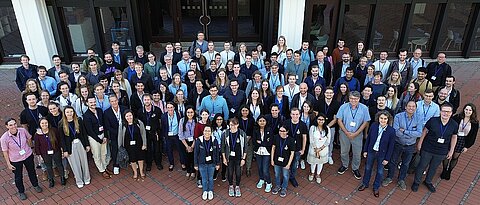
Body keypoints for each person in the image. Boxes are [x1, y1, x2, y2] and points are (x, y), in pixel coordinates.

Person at [412, 103, 459, 193]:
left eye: (448, 112)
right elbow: (425, 131)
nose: (446, 113)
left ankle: (428, 181)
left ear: (451, 113)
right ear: (440, 112)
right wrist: (420, 143)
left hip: (441, 151)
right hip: (428, 148)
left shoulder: (454, 124)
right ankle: (416, 182)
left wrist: (452, 150)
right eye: (444, 111)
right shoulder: (433, 120)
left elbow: (454, 137)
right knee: (422, 166)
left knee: (434, 167)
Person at [382, 101, 423, 190]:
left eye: (413, 106)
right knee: (393, 161)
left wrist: (404, 131)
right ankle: (389, 177)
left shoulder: (419, 118)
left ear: (416, 108)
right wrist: (411, 134)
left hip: (410, 145)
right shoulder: (398, 116)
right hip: (398, 143)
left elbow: (419, 133)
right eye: (409, 106)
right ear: (405, 107)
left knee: (405, 163)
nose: (411, 108)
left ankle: (401, 180)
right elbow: (396, 132)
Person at [1, 118, 43, 200]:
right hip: (15, 160)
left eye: (14, 124)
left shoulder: (22, 130)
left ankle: (35, 185)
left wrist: (31, 148)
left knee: (32, 171)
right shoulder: (4, 138)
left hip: (27, 155)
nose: (13, 126)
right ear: (7, 126)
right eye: (10, 125)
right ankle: (21, 191)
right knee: (18, 176)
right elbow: (5, 152)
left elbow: (29, 138)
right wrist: (8, 164)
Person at [357, 111, 395, 197]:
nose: (383, 120)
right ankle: (365, 183)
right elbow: (368, 138)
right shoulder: (374, 126)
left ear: (388, 120)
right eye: (381, 118)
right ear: (378, 118)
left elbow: (391, 147)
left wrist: (387, 159)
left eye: (385, 119)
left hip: (382, 154)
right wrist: (365, 150)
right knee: (367, 168)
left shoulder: (391, 131)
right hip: (371, 151)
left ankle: (376, 187)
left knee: (380, 171)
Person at [336, 91, 371, 179]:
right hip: (344, 133)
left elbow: (366, 122)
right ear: (349, 98)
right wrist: (347, 132)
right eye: (351, 98)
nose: (353, 100)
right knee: (344, 151)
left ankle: (355, 168)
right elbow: (339, 120)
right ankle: (345, 165)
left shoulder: (364, 108)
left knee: (357, 153)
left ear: (359, 99)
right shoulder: (343, 107)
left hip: (357, 135)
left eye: (355, 99)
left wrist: (356, 133)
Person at [441, 103, 478, 180]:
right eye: (466, 109)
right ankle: (444, 170)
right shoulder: (457, 117)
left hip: (462, 140)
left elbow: (473, 136)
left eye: (470, 110)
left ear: (473, 112)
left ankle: (449, 171)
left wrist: (467, 146)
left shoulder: (475, 123)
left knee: (455, 157)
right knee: (447, 155)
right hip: (453, 137)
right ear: (464, 110)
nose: (467, 111)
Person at [59, 106, 91, 188]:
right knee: (74, 164)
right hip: (70, 146)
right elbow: (62, 139)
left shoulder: (79, 120)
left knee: (84, 161)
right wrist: (65, 150)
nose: (70, 113)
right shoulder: (61, 124)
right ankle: (79, 180)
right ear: (64, 113)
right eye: (67, 112)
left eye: (71, 111)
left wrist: (87, 144)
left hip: (80, 143)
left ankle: (87, 178)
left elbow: (84, 133)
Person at [83, 95, 112, 179]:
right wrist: (99, 140)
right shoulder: (86, 115)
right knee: (97, 155)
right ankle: (102, 170)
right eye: (91, 102)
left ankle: (105, 167)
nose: (93, 104)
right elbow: (90, 131)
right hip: (94, 138)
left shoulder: (99, 111)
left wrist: (105, 136)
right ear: (87, 103)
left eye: (94, 102)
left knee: (104, 153)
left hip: (103, 135)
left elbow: (104, 123)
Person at [34, 118, 66, 188]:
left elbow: (59, 140)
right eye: (42, 123)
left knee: (59, 164)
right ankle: (51, 180)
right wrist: (39, 155)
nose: (44, 124)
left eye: (46, 123)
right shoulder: (37, 134)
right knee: (48, 166)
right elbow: (37, 146)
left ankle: (62, 177)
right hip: (45, 153)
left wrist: (62, 149)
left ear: (48, 123)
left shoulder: (54, 130)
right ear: (40, 124)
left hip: (56, 151)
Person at [221, 117, 247, 197]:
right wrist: (224, 158)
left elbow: (245, 147)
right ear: (229, 125)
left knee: (238, 173)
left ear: (238, 124)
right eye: (231, 125)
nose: (233, 126)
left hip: (239, 158)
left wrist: (243, 159)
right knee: (230, 172)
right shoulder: (225, 134)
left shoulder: (242, 134)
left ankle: (237, 186)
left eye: (235, 124)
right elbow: (222, 147)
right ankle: (231, 186)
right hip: (229, 158)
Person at [118, 110, 147, 181]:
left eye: (130, 115)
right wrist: (120, 146)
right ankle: (135, 172)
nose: (129, 117)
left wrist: (144, 144)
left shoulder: (139, 123)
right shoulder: (123, 125)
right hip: (128, 146)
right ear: (124, 117)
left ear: (133, 115)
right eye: (127, 116)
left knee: (140, 158)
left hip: (139, 145)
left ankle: (141, 171)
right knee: (132, 160)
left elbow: (143, 134)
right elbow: (120, 136)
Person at [194, 125, 220, 201]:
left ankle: (210, 190)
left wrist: (217, 163)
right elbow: (196, 153)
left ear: (211, 132)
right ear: (203, 132)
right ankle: (205, 191)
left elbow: (217, 153)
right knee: (204, 178)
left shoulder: (214, 140)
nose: (207, 132)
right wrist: (195, 164)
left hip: (211, 163)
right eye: (206, 131)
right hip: (202, 163)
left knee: (210, 178)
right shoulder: (199, 140)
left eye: (209, 131)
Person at [284, 107, 308, 187]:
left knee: (294, 165)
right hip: (287, 149)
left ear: (300, 115)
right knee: (286, 163)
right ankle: (285, 178)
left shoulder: (303, 125)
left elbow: (304, 137)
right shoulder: (286, 123)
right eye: (293, 114)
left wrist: (303, 149)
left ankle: (292, 177)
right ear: (290, 115)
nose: (295, 116)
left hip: (297, 149)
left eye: (297, 114)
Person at [103, 95, 127, 174]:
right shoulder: (107, 112)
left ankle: (127, 161)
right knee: (115, 150)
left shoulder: (124, 109)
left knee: (127, 147)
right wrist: (118, 133)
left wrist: (123, 131)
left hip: (125, 133)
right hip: (114, 134)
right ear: (109, 102)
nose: (114, 102)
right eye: (112, 101)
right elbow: (107, 126)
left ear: (118, 100)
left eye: (115, 100)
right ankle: (116, 165)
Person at [271, 125, 295, 197]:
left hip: (286, 162)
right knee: (277, 174)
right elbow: (273, 148)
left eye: (283, 131)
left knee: (285, 175)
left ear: (287, 131)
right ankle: (278, 186)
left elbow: (292, 153)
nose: (281, 133)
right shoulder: (276, 137)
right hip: (276, 161)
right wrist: (272, 160)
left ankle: (284, 188)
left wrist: (289, 164)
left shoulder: (291, 140)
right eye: (280, 131)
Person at [307, 114, 331, 184]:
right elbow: (311, 139)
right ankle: (312, 173)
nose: (321, 121)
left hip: (323, 149)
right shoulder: (313, 128)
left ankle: (318, 174)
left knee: (320, 163)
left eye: (322, 119)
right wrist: (316, 149)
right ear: (316, 120)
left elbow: (328, 141)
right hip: (313, 148)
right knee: (313, 162)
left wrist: (320, 149)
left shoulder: (327, 128)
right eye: (319, 119)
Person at [162, 102, 185, 171]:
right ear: (166, 108)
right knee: (169, 150)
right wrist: (164, 136)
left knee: (180, 149)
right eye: (168, 107)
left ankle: (183, 163)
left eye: (171, 107)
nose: (170, 109)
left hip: (177, 135)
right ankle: (171, 163)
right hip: (168, 136)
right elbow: (163, 127)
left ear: (174, 107)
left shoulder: (178, 114)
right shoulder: (163, 116)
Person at [253, 115, 273, 192]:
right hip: (258, 151)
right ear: (257, 122)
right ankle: (261, 179)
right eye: (260, 121)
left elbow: (270, 142)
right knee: (259, 167)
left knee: (265, 169)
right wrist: (264, 143)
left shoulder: (269, 129)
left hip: (266, 152)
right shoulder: (255, 130)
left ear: (266, 122)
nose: (262, 122)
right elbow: (254, 141)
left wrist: (261, 142)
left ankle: (268, 182)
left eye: (263, 121)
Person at [179, 106, 197, 179]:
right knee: (186, 157)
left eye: (191, 112)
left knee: (193, 157)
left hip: (194, 142)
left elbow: (197, 134)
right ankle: (188, 170)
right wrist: (187, 146)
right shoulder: (182, 121)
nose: (190, 114)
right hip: (185, 142)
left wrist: (192, 146)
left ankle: (193, 171)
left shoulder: (196, 120)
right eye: (188, 112)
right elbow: (180, 134)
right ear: (186, 113)